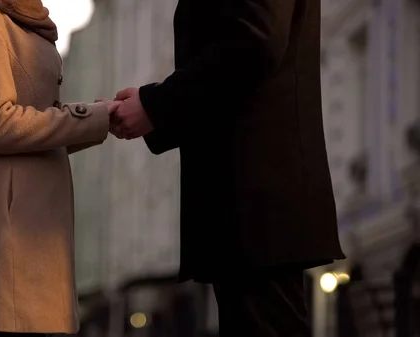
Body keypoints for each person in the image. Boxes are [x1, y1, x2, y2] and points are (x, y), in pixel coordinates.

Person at [109, 0, 346, 335]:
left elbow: (255, 43)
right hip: (250, 201)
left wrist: (156, 105)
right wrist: (157, 105)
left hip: (257, 200)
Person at [0, 0, 120, 336]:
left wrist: (99, 118)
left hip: (29, 224)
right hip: (6, 223)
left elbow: (31, 126)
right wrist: (91, 118)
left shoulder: (10, 17)